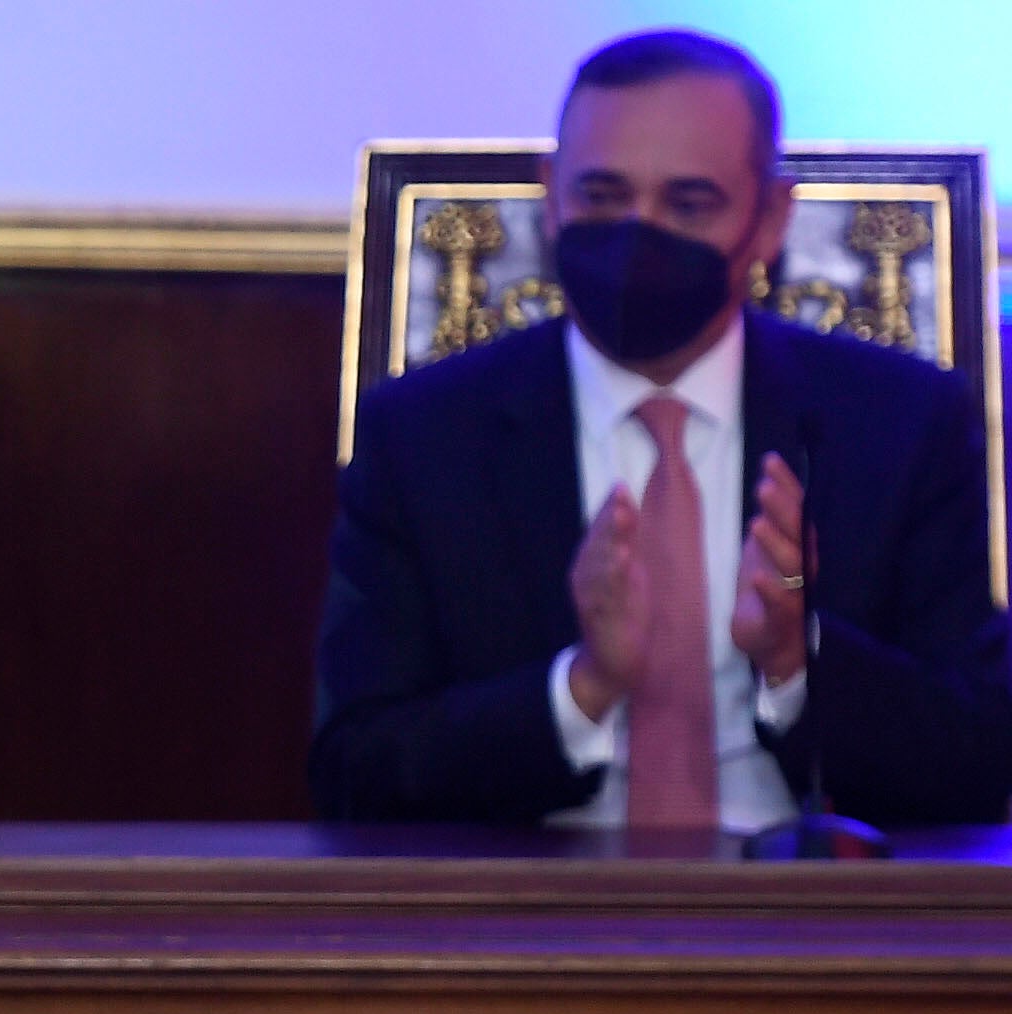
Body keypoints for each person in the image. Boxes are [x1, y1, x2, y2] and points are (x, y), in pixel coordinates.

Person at [312, 30, 1012, 830]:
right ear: (552, 196)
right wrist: (582, 689)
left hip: (803, 920)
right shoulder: (425, 435)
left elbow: (979, 761)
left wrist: (795, 658)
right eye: (604, 197)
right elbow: (351, 770)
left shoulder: (898, 425)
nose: (637, 235)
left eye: (687, 204)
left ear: (771, 219)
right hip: (525, 923)